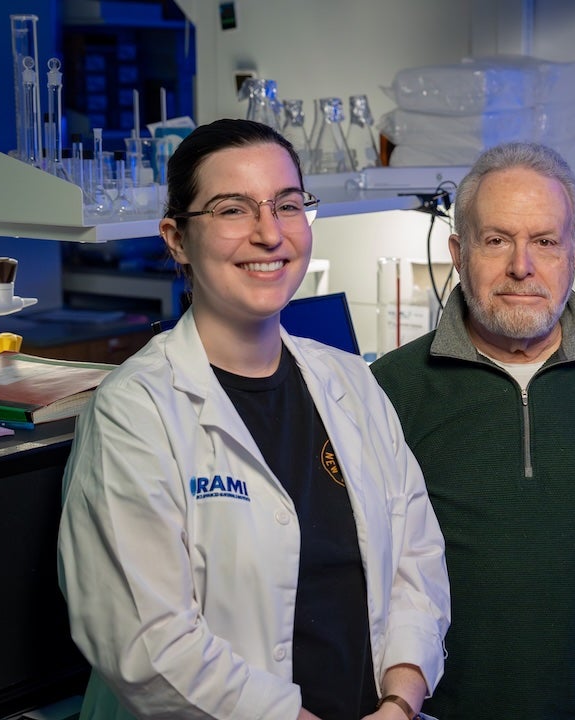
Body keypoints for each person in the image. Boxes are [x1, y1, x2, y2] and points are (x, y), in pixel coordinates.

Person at [58, 118, 450, 720]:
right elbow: (148, 645)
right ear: (176, 239)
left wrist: (399, 700)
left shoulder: (350, 383)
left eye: (287, 205)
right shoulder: (134, 413)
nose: (270, 234)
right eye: (233, 209)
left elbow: (416, 565)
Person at [370, 141, 575, 720]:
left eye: (545, 242)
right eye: (496, 240)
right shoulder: (390, 388)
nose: (521, 266)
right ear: (458, 251)